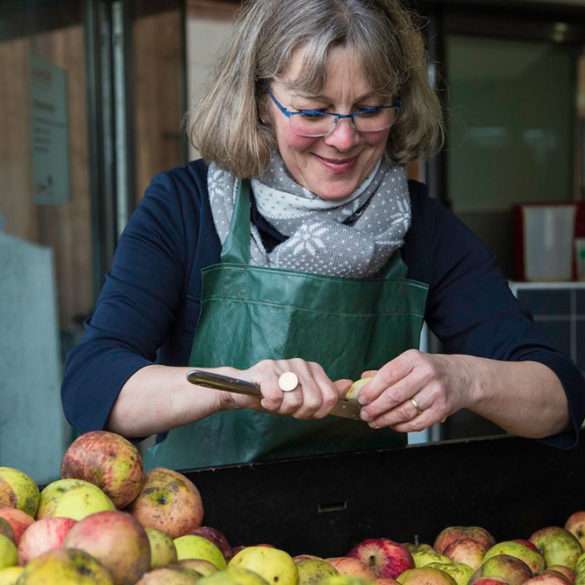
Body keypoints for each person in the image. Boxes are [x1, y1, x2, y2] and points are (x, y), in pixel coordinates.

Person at [62, 0, 585, 470]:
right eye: (312, 110)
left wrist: (465, 379)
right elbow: (94, 382)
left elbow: (559, 395)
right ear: (260, 99)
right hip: (204, 542)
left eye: (370, 107)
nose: (342, 138)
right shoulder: (185, 206)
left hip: (368, 546)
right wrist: (237, 386)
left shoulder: (422, 227)